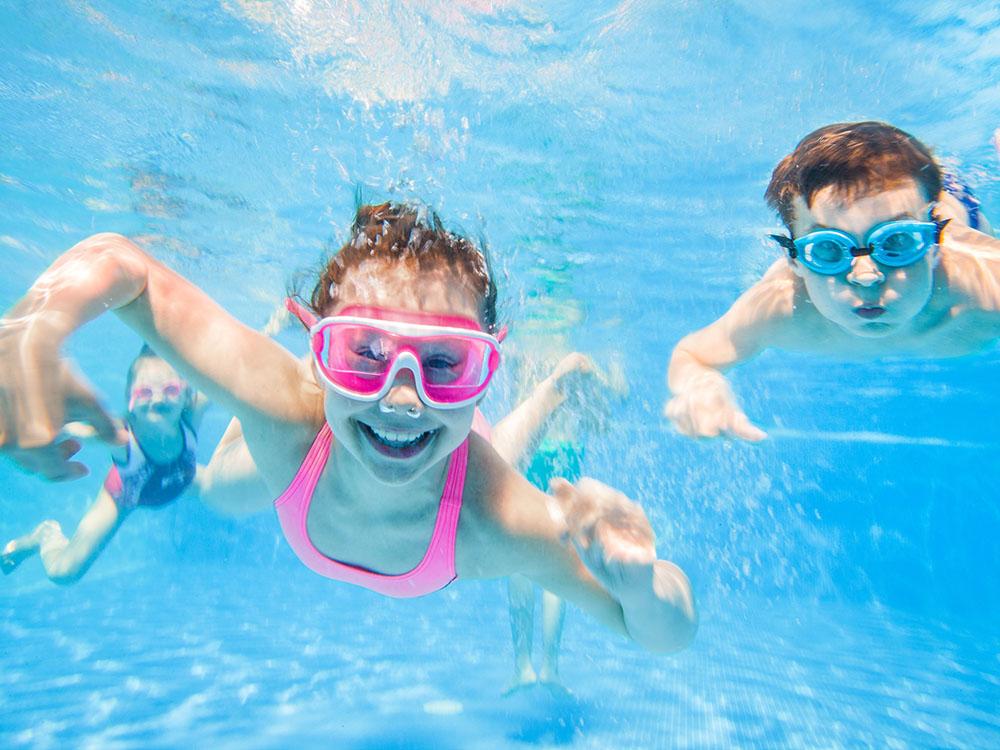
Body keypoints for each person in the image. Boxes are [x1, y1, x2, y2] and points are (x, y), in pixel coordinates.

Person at [0, 202, 697, 653]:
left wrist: (639, 583)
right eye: (363, 352)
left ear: (487, 361)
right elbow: (123, 266)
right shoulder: (287, 408)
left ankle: (550, 387)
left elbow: (667, 631)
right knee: (212, 487)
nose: (402, 398)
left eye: (446, 361)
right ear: (318, 351)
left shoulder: (499, 516)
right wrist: (26, 332)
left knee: (491, 454)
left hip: (456, 480)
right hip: (305, 457)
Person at [665, 121, 1000, 440]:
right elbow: (693, 356)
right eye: (828, 249)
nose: (866, 277)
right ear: (794, 260)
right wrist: (700, 386)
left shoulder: (987, 286)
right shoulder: (781, 306)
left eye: (897, 242)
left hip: (952, 200)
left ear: (933, 245)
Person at [1, 346, 207, 582]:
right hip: (126, 493)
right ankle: (45, 534)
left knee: (225, 485)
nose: (158, 399)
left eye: (170, 390)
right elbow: (73, 429)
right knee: (64, 573)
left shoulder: (194, 412)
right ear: (130, 401)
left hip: (182, 476)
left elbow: (235, 378)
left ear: (187, 395)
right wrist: (32, 436)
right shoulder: (120, 436)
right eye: (145, 393)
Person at [491, 351, 598, 692]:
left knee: (520, 563)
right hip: (564, 456)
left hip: (531, 453)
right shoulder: (579, 361)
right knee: (556, 562)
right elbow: (599, 410)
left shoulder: (523, 358)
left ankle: (525, 666)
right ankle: (547, 667)